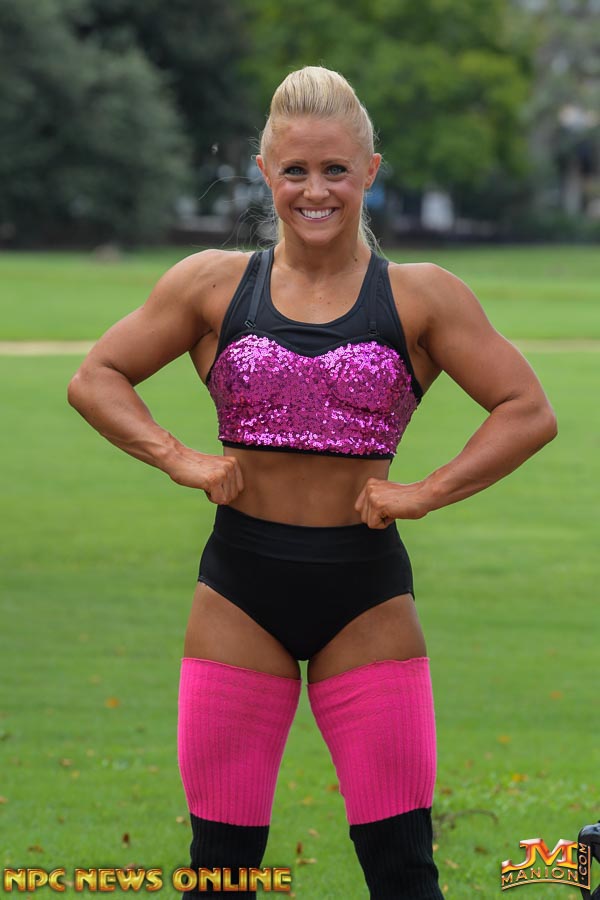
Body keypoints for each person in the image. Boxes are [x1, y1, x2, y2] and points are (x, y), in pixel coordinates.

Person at [68, 66, 557, 899]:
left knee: (403, 874)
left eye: (336, 169)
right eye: (295, 170)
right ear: (266, 172)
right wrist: (179, 458)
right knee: (220, 877)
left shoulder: (422, 296)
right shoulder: (212, 284)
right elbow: (97, 377)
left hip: (366, 600)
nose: (316, 190)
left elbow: (527, 410)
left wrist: (424, 492)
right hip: (237, 596)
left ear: (371, 170)